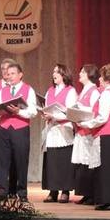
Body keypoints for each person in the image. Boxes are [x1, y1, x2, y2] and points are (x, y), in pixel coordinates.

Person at [79, 64, 110, 211]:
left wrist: (86, 124)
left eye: (101, 76)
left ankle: (109, 200)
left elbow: (102, 117)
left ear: (107, 78)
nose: (99, 79)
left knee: (106, 169)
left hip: (108, 133)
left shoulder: (107, 93)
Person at [0, 63, 37, 201]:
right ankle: (2, 191)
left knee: (21, 161)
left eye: (13, 73)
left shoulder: (28, 89)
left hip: (20, 129)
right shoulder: (2, 91)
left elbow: (33, 112)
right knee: (2, 161)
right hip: (4, 128)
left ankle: (22, 192)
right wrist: (0, 111)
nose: (10, 76)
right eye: (8, 74)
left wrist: (19, 111)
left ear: (20, 75)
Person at [41, 64, 78, 203]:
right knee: (52, 161)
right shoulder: (50, 91)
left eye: (57, 71)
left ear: (64, 74)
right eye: (53, 71)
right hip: (52, 129)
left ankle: (65, 191)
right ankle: (53, 191)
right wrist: (45, 114)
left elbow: (71, 112)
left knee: (64, 161)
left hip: (64, 129)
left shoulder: (70, 91)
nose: (54, 74)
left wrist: (54, 116)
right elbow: (46, 108)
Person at [71, 64, 101, 205]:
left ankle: (92, 194)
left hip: (88, 131)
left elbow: (95, 111)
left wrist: (80, 109)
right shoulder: (84, 90)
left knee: (89, 162)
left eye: (83, 72)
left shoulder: (94, 91)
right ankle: (85, 193)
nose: (80, 74)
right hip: (81, 130)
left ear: (89, 74)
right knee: (82, 163)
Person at [0, 58, 18, 195]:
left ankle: (12, 188)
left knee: (13, 158)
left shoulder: (17, 86)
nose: (5, 71)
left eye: (8, 69)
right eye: (3, 69)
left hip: (12, 126)